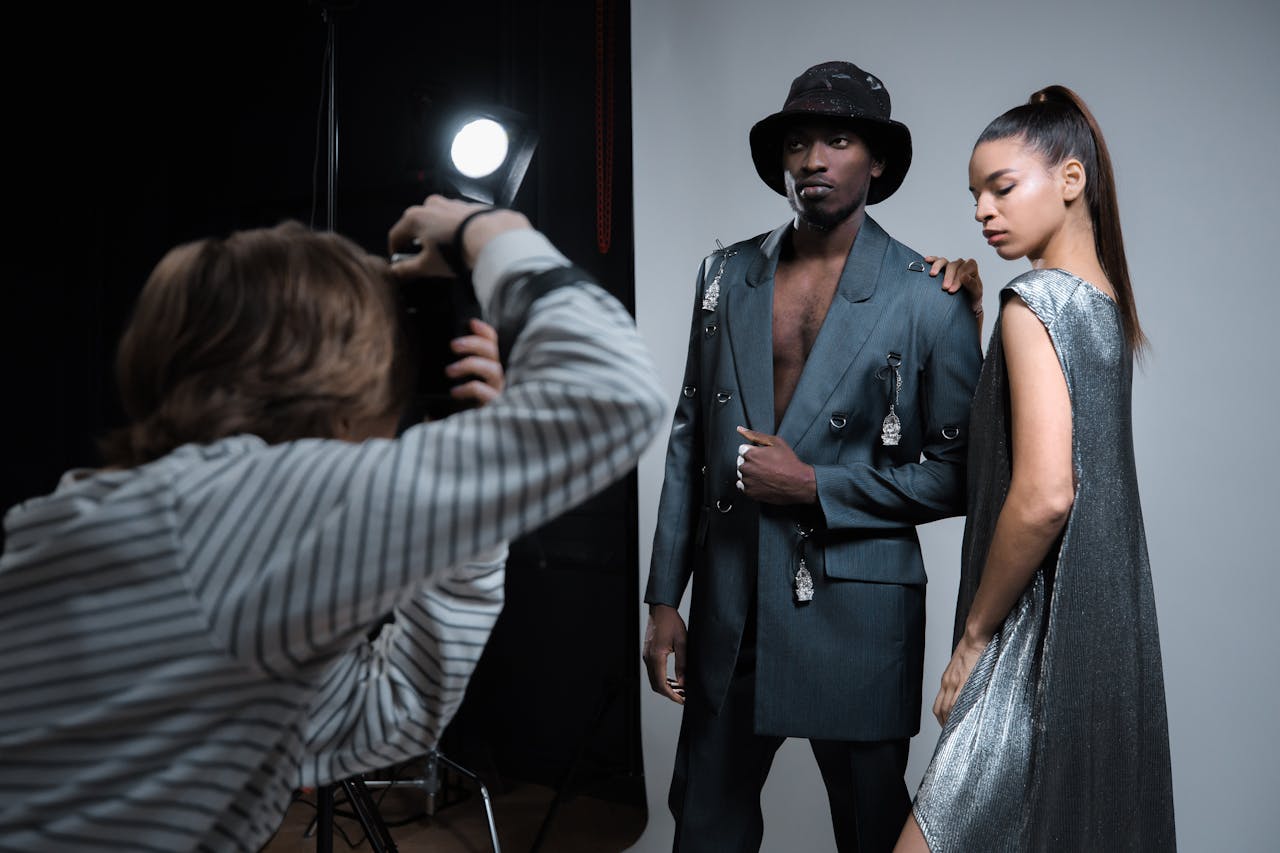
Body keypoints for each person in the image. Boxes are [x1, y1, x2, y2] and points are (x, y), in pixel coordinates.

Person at [0, 195, 667, 850]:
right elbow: (612, 395)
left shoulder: (152, 523)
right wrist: (489, 227)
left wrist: (472, 510)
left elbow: (387, 712)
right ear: (338, 379)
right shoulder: (236, 511)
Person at [642, 60, 984, 852]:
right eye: (799, 141)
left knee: (871, 831)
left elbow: (959, 472)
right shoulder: (724, 276)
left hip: (857, 612)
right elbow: (690, 436)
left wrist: (814, 485)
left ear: (879, 162)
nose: (814, 160)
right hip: (732, 599)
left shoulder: (927, 296)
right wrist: (665, 597)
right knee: (704, 826)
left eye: (838, 139)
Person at [896, 86, 1176, 852]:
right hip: (1101, 640)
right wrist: (974, 325)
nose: (983, 211)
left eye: (1002, 186)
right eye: (974, 195)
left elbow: (1049, 493)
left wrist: (975, 637)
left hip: (1031, 637)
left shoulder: (1038, 301)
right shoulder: (1104, 304)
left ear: (1072, 180)